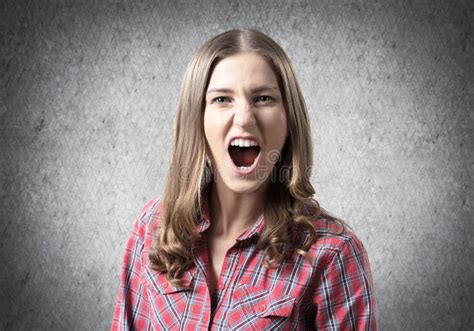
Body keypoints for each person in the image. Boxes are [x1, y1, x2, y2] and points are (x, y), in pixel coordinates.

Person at [111, 29, 377, 330]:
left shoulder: (333, 253)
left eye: (263, 98)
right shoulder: (153, 225)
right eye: (222, 99)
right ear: (196, 119)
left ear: (289, 120)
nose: (244, 118)